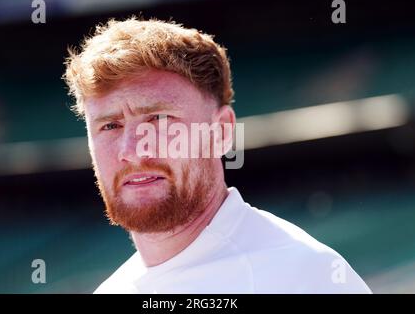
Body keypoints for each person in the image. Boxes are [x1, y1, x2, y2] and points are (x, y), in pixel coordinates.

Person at [63, 17, 371, 293]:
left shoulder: (302, 275)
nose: (131, 150)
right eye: (110, 125)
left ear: (221, 132)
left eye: (158, 119)